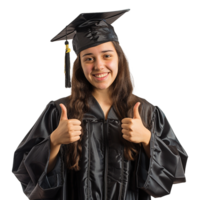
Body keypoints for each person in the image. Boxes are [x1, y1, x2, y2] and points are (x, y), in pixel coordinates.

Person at [10, 9, 190, 200]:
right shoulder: (58, 111)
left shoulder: (147, 112)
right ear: (79, 64)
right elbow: (23, 170)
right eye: (89, 58)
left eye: (106, 55)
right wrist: (54, 142)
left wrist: (147, 139)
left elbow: (177, 168)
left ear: (119, 59)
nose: (98, 66)